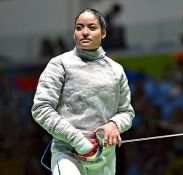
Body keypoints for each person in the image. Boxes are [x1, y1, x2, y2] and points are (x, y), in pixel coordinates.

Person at [31, 8, 135, 175]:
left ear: (103, 33)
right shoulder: (59, 64)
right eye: (79, 27)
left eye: (92, 27)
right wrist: (77, 140)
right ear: (74, 33)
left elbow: (126, 112)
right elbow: (41, 109)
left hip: (105, 158)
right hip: (68, 154)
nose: (84, 32)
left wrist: (114, 124)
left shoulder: (116, 70)